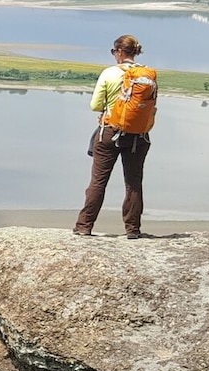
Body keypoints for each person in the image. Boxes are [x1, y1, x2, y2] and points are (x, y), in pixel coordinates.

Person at [74, 35, 155, 239]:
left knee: (98, 182)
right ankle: (133, 230)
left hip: (110, 132)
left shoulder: (109, 73)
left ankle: (84, 226)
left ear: (119, 51)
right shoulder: (147, 75)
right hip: (138, 136)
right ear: (136, 52)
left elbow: (95, 105)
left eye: (113, 51)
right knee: (134, 183)